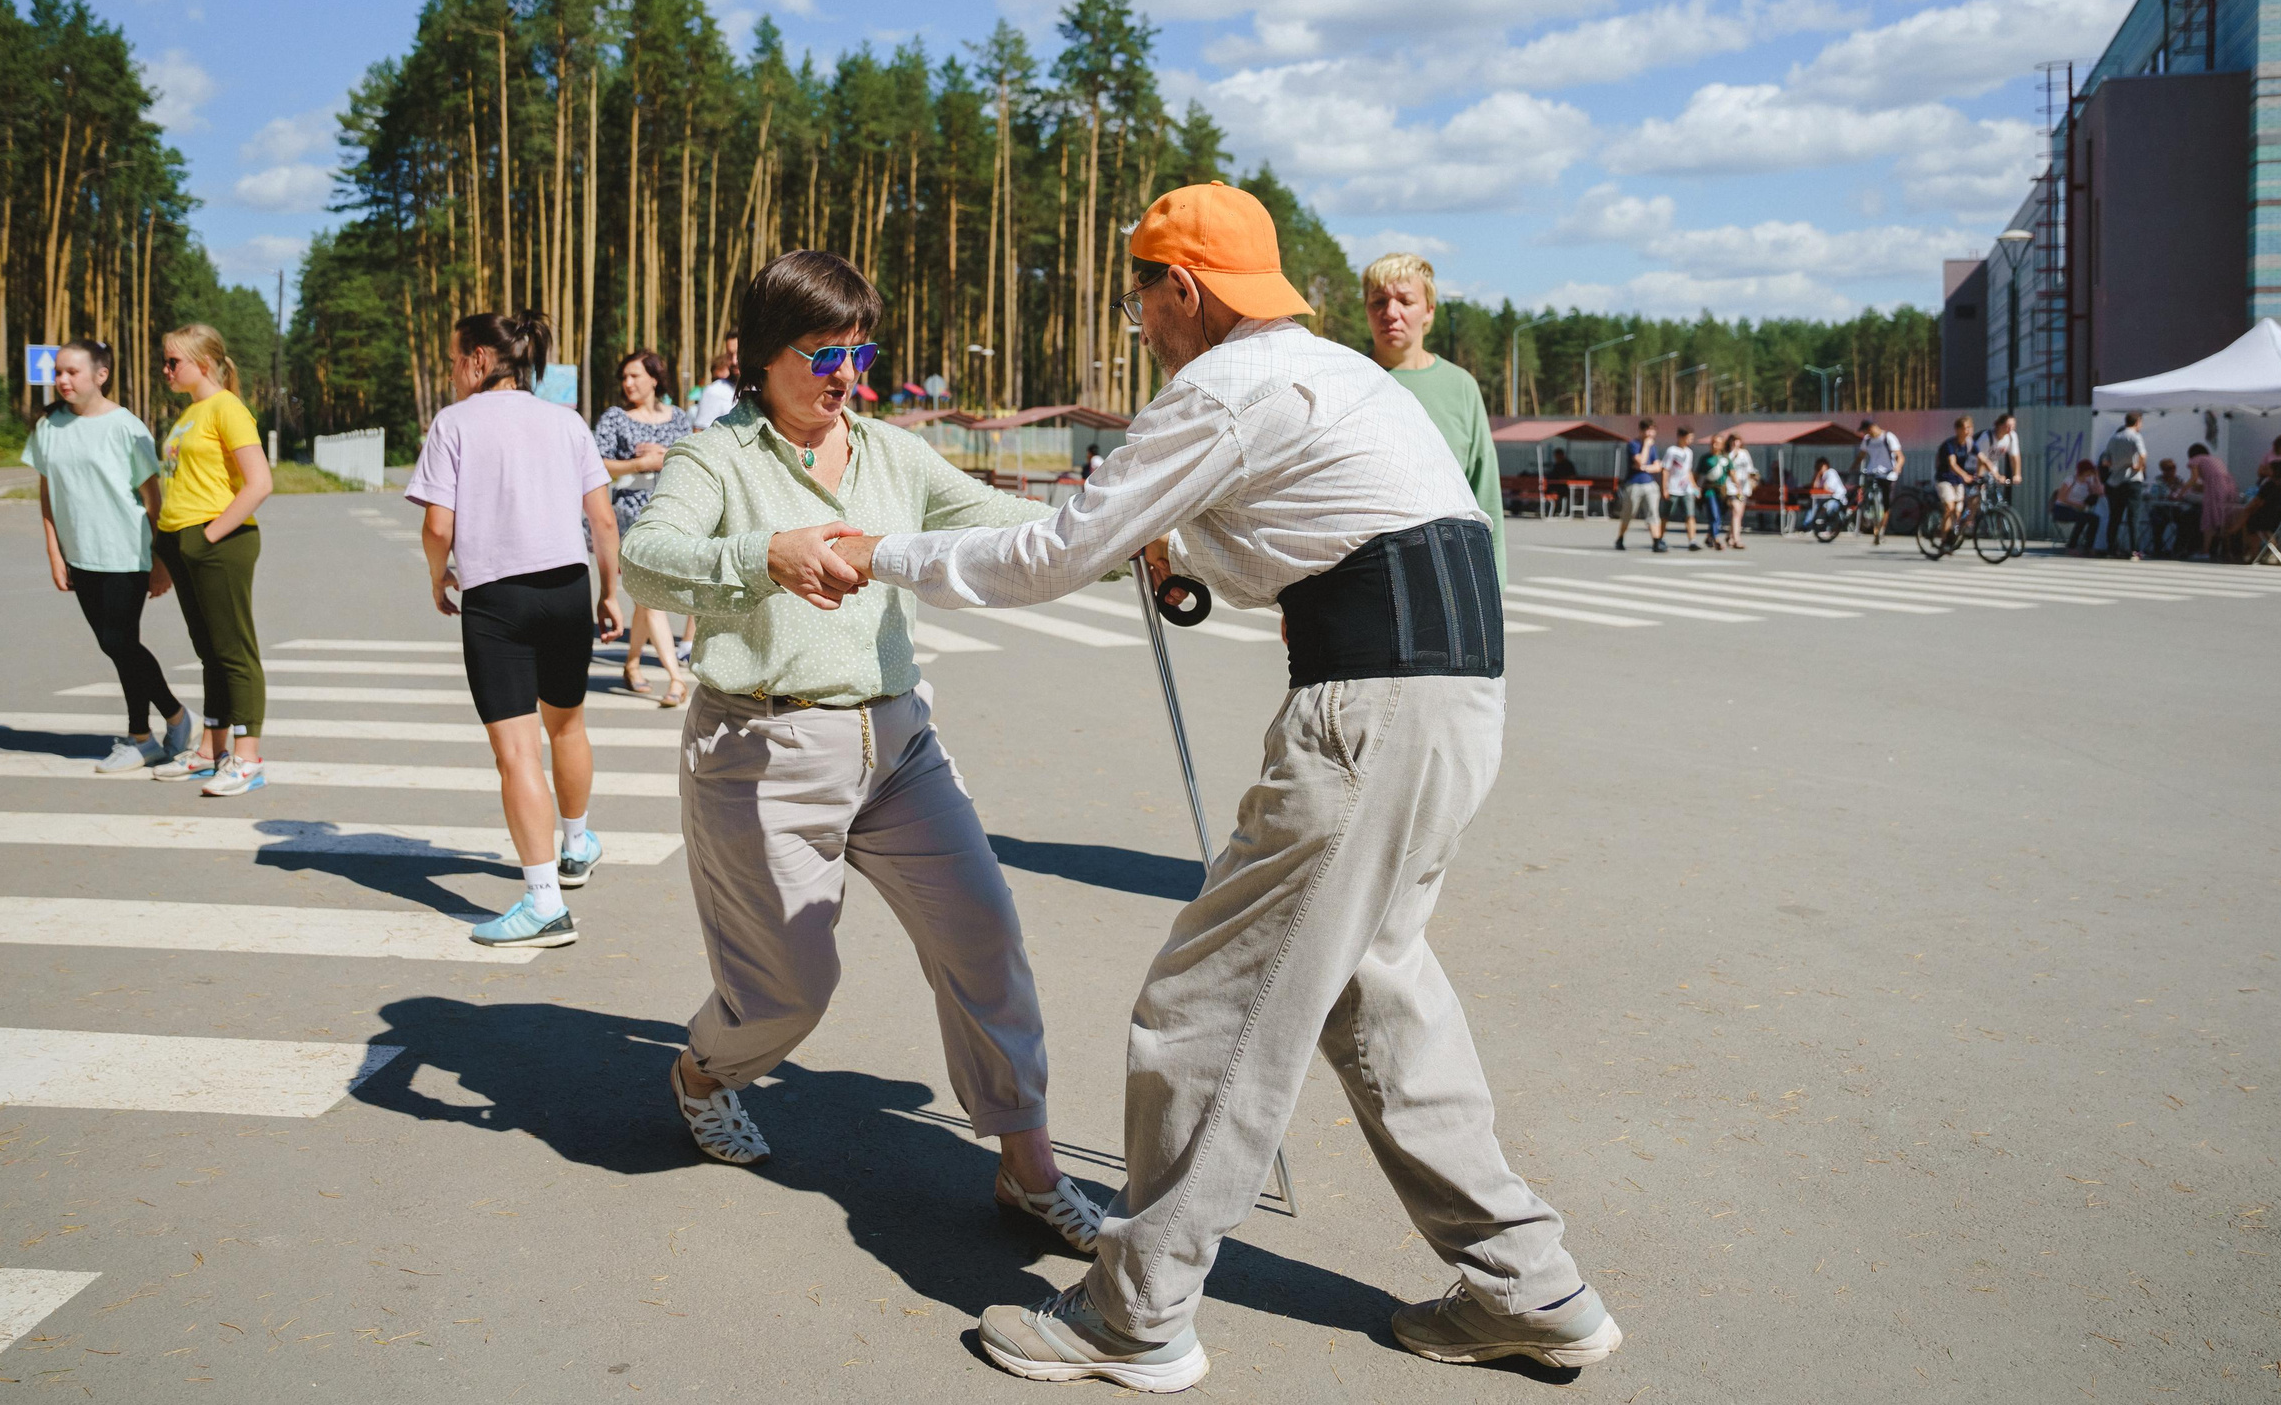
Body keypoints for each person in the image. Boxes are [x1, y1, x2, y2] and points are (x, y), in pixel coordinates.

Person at [836, 183, 1611, 1390]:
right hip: (1455, 704)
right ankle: (1529, 1287)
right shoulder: (1338, 373)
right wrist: (1182, 550)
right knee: (1377, 995)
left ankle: (1133, 1314)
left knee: (1210, 1006)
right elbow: (1305, 539)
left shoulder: (1220, 387)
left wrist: (873, 554)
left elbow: (1052, 553)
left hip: (1368, 714)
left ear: (1181, 289)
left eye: (1141, 294)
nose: (1140, 322)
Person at [619, 249, 1105, 1255]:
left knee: (984, 935)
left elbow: (1011, 524)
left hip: (898, 746)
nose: (845, 374)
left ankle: (1028, 1171)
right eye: (821, 352)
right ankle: (701, 1074)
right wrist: (763, 555)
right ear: (761, 358)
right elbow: (645, 560)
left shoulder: (891, 454)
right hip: (762, 747)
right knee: (787, 993)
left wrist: (1121, 529)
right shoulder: (717, 458)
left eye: (858, 349)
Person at [409, 311, 625, 949]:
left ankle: (544, 904)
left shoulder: (453, 424)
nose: (452, 371)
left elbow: (438, 528)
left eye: (454, 358)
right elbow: (603, 522)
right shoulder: (566, 421)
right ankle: (577, 842)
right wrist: (609, 592)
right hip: (565, 588)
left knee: (515, 753)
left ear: (479, 359)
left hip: (498, 598)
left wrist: (435, 576)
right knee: (568, 726)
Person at [23, 338, 194, 775]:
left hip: (125, 551)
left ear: (100, 375)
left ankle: (153, 729)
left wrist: (160, 562)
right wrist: (54, 553)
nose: (62, 379)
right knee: (116, 646)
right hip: (79, 554)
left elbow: (153, 499)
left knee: (119, 641)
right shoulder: (48, 427)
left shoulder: (126, 426)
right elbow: (48, 494)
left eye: (71, 372)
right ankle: (157, 728)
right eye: (57, 372)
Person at [148, 323, 273, 797]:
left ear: (203, 363)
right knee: (211, 651)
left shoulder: (227, 408)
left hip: (221, 543)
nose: (165, 369)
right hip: (185, 544)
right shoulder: (190, 413)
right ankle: (209, 752)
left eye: (172, 361)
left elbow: (259, 482)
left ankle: (247, 758)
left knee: (235, 651)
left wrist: (210, 535)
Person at [1361, 252, 1506, 584]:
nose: (1390, 313)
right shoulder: (1342, 378)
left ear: (1429, 311)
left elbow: (1483, 491)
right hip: (1361, 579)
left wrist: (1492, 582)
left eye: (1405, 300)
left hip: (1447, 576)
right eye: (1378, 302)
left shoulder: (1460, 387)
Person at [593, 350, 693, 705]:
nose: (628, 383)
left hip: (671, 515)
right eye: (624, 377)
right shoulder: (615, 418)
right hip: (630, 517)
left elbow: (694, 457)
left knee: (644, 596)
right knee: (651, 595)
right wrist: (638, 464)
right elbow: (595, 464)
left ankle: (632, 663)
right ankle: (676, 679)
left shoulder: (679, 417)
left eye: (635, 375)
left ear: (655, 378)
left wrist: (666, 454)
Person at [2240, 446, 2281, 562]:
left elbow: (2256, 502)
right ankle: (2276, 553)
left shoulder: (2272, 484)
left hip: (2273, 520)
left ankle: (2254, 554)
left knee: (2250, 522)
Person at [1613, 416, 1665, 553]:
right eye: (1648, 430)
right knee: (1629, 514)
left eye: (1653, 431)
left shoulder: (1653, 447)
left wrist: (1646, 468)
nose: (1650, 434)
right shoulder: (1633, 444)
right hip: (1634, 484)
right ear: (1641, 431)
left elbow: (1658, 466)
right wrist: (1646, 447)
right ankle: (1620, 538)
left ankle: (1657, 542)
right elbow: (1639, 461)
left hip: (1650, 484)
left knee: (1653, 513)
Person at [2102, 412, 2149, 559]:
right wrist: (2139, 466)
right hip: (2132, 480)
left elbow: (2105, 461)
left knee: (2115, 517)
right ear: (2138, 422)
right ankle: (2134, 550)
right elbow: (2143, 454)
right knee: (2133, 517)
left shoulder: (2114, 437)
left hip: (2115, 481)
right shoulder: (2135, 436)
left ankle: (2111, 548)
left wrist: (2117, 464)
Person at [1854, 418, 1902, 544]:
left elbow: (1899, 456)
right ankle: (1868, 516)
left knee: (1886, 504)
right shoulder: (1867, 440)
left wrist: (1898, 466)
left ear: (1871, 427)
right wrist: (1852, 468)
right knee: (1865, 496)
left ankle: (1881, 530)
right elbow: (1861, 455)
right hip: (1872, 473)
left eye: (1865, 430)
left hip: (1888, 475)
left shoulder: (1888, 437)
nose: (1865, 434)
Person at [1934, 415, 1978, 546]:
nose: (1968, 431)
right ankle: (1943, 540)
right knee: (1950, 508)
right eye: (1965, 428)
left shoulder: (1970, 444)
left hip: (1958, 481)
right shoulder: (1949, 445)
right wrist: (1965, 475)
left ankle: (1951, 537)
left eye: (1970, 428)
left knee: (1958, 513)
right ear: (1957, 430)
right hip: (1944, 479)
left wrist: (1996, 474)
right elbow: (1952, 464)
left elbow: (1983, 458)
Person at [2190, 444, 2239, 558]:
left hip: (2214, 493)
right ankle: (2227, 551)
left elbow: (2194, 478)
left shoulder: (2195, 460)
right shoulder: (2216, 460)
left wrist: (2182, 492)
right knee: (2225, 520)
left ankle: (2205, 551)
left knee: (2209, 520)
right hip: (2229, 489)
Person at [2050, 460, 2105, 554]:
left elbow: (2100, 493)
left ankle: (2088, 546)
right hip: (2062, 509)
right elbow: (2061, 497)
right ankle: (2071, 546)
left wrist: (2097, 477)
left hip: (2077, 510)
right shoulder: (2070, 480)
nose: (2089, 474)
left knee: (2095, 519)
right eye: (2088, 472)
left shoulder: (2088, 483)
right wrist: (2077, 504)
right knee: (2082, 518)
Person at [1662, 426, 1700, 550]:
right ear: (1681, 437)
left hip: (1686, 489)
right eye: (1688, 438)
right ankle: (1660, 538)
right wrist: (1665, 488)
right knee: (1666, 515)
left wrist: (1694, 487)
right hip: (1673, 488)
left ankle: (1692, 541)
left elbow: (1688, 471)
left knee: (1690, 514)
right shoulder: (1671, 451)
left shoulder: (1689, 452)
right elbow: (1665, 470)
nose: (1690, 440)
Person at [694, 336, 740, 426]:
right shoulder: (714, 391)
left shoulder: (764, 389)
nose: (734, 361)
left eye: (739, 354)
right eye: (730, 355)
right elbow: (700, 433)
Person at [1722, 432, 1755, 549]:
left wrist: (1753, 478)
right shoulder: (1727, 455)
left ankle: (1729, 535)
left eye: (1737, 440)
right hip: (1731, 488)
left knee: (1739, 513)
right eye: (1733, 441)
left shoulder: (1744, 454)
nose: (1735, 443)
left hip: (1743, 489)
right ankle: (1737, 539)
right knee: (1736, 510)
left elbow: (1750, 468)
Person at [1696, 433, 1729, 550]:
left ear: (1722, 445)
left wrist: (1739, 488)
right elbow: (1697, 475)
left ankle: (1710, 535)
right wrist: (1696, 488)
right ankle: (1716, 538)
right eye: (1713, 442)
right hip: (1709, 489)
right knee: (1714, 513)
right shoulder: (1705, 458)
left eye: (1717, 443)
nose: (1714, 445)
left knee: (1718, 515)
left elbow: (1732, 473)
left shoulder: (1725, 458)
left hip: (1722, 490)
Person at [1800, 456, 1849, 533]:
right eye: (1818, 467)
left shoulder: (1830, 472)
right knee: (1813, 506)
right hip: (1825, 500)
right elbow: (1814, 487)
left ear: (1826, 465)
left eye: (1821, 466)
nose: (1820, 468)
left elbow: (1826, 488)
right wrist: (1817, 475)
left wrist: (1821, 475)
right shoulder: (1821, 476)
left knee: (1827, 506)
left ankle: (1828, 526)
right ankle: (1806, 525)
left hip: (1837, 500)